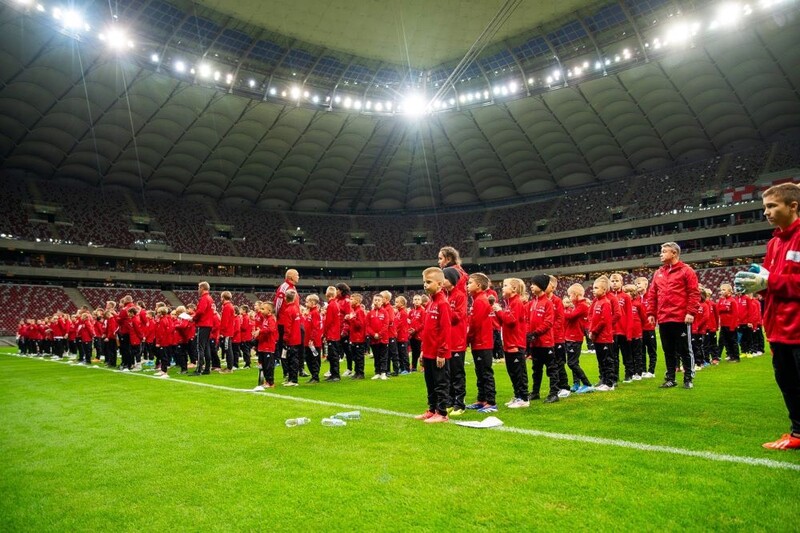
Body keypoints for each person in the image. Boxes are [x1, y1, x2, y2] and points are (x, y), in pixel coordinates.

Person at [735, 182, 800, 450]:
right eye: (765, 207)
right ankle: (797, 433)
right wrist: (759, 286)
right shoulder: (774, 243)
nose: (766, 212)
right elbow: (771, 284)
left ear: (793, 206)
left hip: (798, 327)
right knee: (789, 385)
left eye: (772, 206)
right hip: (777, 328)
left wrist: (769, 282)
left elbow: (780, 281)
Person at [645, 242, 700, 389]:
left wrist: (690, 312)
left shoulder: (686, 271)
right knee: (668, 350)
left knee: (684, 349)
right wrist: (651, 313)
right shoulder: (658, 273)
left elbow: (694, 293)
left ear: (674, 253)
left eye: (664, 251)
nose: (660, 254)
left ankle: (688, 378)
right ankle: (670, 378)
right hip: (664, 317)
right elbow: (652, 295)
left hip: (681, 317)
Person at [414, 267, 452, 423]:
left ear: (440, 284)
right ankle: (431, 409)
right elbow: (427, 331)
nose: (425, 285)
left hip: (438, 353)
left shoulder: (443, 303)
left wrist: (442, 352)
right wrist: (423, 350)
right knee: (430, 383)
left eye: (428, 282)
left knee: (440, 383)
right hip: (428, 352)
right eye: (424, 282)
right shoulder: (430, 303)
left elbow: (445, 329)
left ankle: (442, 413)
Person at [493, 278, 528, 408]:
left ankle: (523, 398)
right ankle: (517, 395)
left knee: (518, 372)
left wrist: (499, 310)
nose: (502, 288)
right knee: (512, 372)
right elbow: (504, 321)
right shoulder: (510, 303)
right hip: (509, 343)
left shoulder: (516, 302)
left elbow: (511, 320)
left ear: (514, 289)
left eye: (505, 285)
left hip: (516, 343)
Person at [465, 273, 497, 413]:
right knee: (480, 372)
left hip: (482, 342)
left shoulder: (480, 300)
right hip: (480, 342)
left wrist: (467, 338)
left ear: (478, 285)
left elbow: (475, 324)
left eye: (470, 283)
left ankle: (491, 402)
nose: (467, 285)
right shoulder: (478, 299)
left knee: (485, 372)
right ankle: (482, 399)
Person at [527, 274, 559, 404]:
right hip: (535, 343)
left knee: (551, 369)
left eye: (534, 284)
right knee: (536, 369)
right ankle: (535, 392)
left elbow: (548, 322)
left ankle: (554, 393)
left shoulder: (548, 303)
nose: (531, 286)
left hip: (546, 342)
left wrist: (535, 333)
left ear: (541, 286)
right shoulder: (532, 302)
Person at [443, 266, 468, 416]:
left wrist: (445, 310)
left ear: (451, 280)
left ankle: (460, 404)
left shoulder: (460, 296)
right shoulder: (445, 296)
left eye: (444, 278)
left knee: (458, 374)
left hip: (457, 341)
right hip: (447, 342)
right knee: (448, 374)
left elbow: (457, 317)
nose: (442, 281)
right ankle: (450, 401)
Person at [564, 283, 592, 393]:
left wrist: (559, 312)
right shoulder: (579, 305)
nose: (570, 299)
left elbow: (570, 316)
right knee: (574, 362)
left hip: (575, 337)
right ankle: (576, 383)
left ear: (575, 294)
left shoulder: (582, 305)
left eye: (570, 295)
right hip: (571, 336)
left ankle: (587, 384)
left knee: (572, 363)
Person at [590, 276, 614, 391]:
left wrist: (594, 331)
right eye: (593, 288)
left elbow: (604, 320)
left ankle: (609, 383)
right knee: (601, 360)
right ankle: (604, 380)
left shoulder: (606, 303)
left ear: (604, 290)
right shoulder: (597, 302)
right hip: (598, 337)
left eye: (596, 288)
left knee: (607, 360)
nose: (593, 290)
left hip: (604, 337)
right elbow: (593, 319)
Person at [274, 269, 299, 378]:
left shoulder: (293, 287)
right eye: (297, 275)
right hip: (284, 323)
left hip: (293, 322)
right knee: (285, 348)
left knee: (293, 348)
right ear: (291, 277)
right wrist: (276, 318)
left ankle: (295, 370)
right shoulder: (284, 287)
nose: (298, 276)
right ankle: (287, 372)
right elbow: (277, 304)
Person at [636, 277, 658, 377]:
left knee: (651, 351)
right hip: (640, 329)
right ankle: (643, 370)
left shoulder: (651, 297)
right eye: (636, 284)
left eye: (639, 284)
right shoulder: (636, 298)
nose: (637, 286)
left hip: (649, 328)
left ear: (646, 285)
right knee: (641, 351)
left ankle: (651, 371)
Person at [254, 301, 278, 390]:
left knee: (268, 365)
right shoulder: (265, 319)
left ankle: (270, 382)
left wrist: (260, 331)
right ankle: (266, 381)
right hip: (262, 345)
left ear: (269, 311)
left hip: (268, 346)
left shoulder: (271, 319)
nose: (261, 310)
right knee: (263, 365)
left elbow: (271, 329)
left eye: (263, 309)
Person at [192, 281, 214, 375]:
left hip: (203, 324)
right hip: (208, 324)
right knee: (206, 347)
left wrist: (193, 318)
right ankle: (207, 368)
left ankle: (199, 369)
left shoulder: (204, 298)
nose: (198, 289)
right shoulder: (210, 298)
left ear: (202, 288)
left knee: (200, 347)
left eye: (198, 287)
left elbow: (200, 311)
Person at [281, 289, 302, 387]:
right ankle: (292, 378)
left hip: (291, 338)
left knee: (292, 359)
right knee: (293, 358)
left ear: (285, 298)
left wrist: (285, 337)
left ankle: (293, 380)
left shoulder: (288, 310)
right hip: (297, 337)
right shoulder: (296, 308)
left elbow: (287, 326)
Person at [717, 283, 740, 363]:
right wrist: (725, 308)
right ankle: (731, 355)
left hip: (731, 325)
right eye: (721, 290)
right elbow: (718, 310)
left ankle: (736, 357)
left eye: (724, 290)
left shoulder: (732, 301)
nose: (722, 291)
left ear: (729, 291)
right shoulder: (721, 300)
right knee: (726, 341)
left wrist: (733, 326)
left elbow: (735, 314)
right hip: (723, 325)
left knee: (733, 341)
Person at [323, 286, 342, 382]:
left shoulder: (331, 305)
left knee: (333, 355)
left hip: (332, 334)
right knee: (333, 355)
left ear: (327, 294)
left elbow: (328, 321)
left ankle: (335, 375)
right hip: (336, 333)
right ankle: (334, 373)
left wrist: (325, 333)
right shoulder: (336, 304)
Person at [408, 294, 424, 371]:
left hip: (419, 335)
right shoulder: (411, 312)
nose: (416, 301)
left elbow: (423, 323)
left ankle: (423, 366)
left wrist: (415, 330)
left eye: (418, 299)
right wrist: (409, 330)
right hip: (412, 335)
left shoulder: (422, 311)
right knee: (414, 352)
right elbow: (408, 322)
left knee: (419, 351)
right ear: (413, 301)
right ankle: (414, 367)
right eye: (415, 299)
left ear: (421, 301)